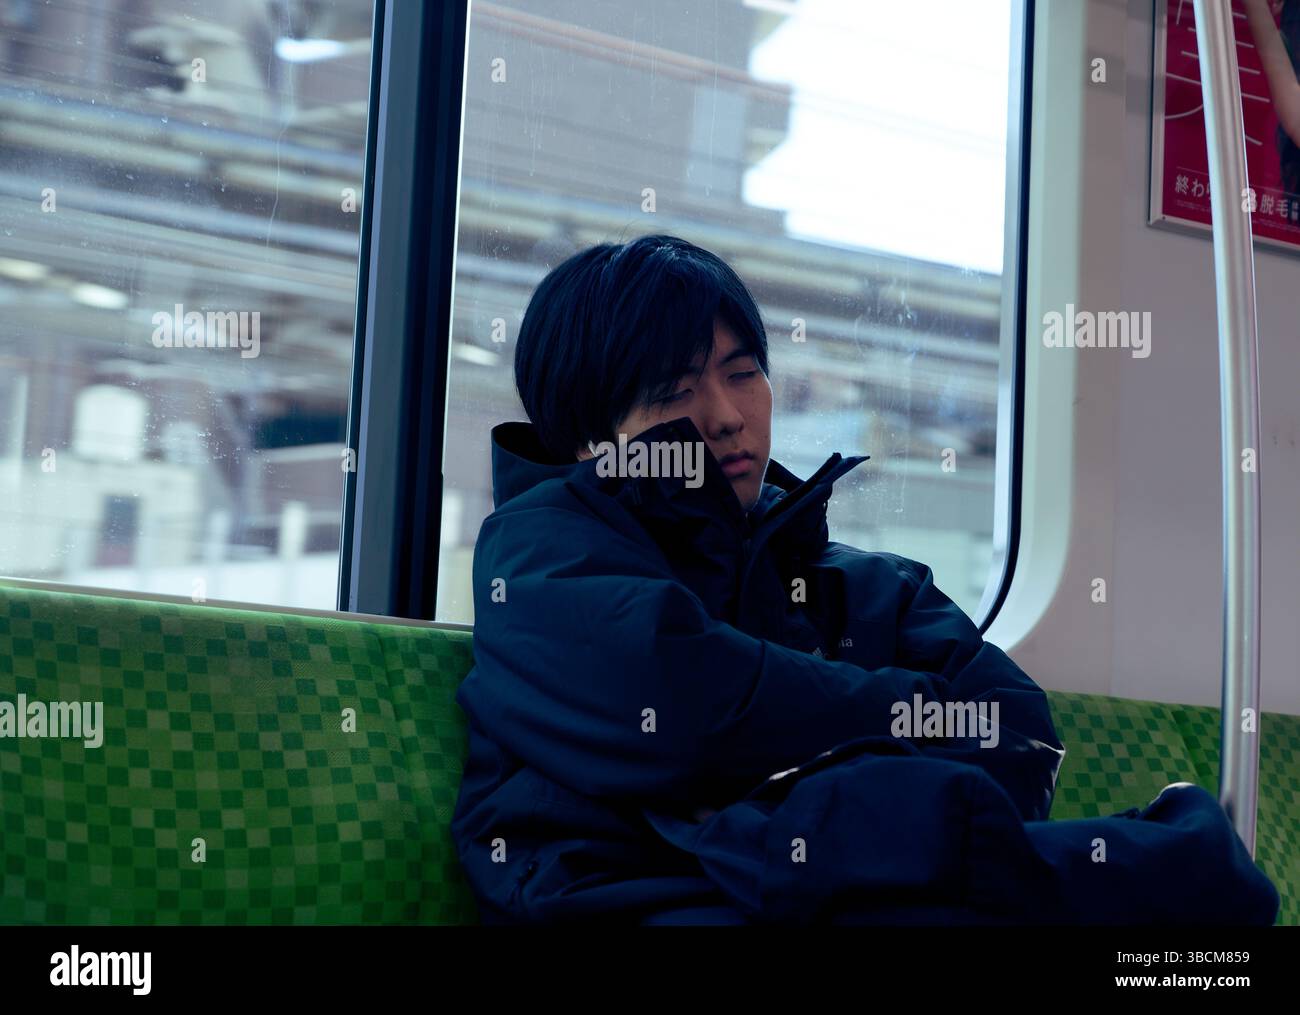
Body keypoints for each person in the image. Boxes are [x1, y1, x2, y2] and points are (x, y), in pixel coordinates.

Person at [450, 234, 1279, 925]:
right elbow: (690, 710)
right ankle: (1171, 852)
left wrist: (833, 785)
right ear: (591, 432)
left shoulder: (864, 585)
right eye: (674, 390)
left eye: (742, 372)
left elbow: (1020, 734)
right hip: (630, 897)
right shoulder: (538, 552)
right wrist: (896, 740)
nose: (728, 413)